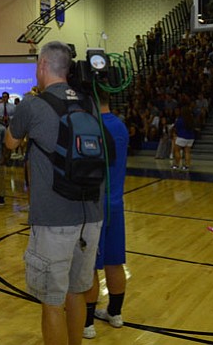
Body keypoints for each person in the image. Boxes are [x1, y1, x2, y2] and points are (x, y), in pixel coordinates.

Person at [5, 41, 103, 345]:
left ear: (44, 66)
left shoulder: (33, 105)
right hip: (91, 216)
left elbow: (10, 143)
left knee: (51, 301)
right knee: (75, 292)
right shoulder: (90, 103)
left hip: (53, 219)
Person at [83, 90, 129, 339]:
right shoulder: (121, 126)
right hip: (116, 204)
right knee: (114, 261)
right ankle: (115, 313)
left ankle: (87, 323)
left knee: (89, 265)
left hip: (94, 205)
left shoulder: (90, 127)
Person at [172, 105, 195, 171]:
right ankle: (187, 166)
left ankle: (176, 165)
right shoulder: (191, 119)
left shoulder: (180, 119)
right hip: (191, 137)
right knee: (187, 152)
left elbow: (176, 127)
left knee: (177, 150)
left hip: (182, 136)